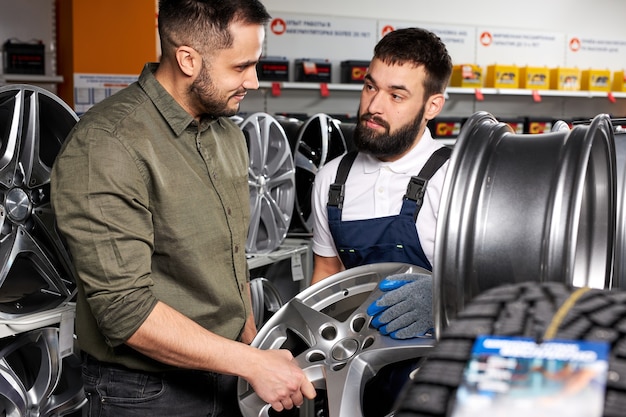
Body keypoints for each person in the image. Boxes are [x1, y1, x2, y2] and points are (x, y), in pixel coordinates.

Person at [50, 1, 315, 416]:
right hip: (146, 393)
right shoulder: (108, 144)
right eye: (241, 67)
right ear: (188, 59)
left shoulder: (227, 134)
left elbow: (230, 258)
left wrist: (250, 341)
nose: (254, 80)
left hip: (229, 373)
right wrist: (251, 362)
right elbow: (124, 311)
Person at [310, 27, 453, 415]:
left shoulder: (458, 179)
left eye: (396, 95)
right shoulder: (331, 179)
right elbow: (326, 276)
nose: (375, 106)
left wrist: (443, 300)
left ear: (432, 105)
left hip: (441, 376)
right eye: (370, 87)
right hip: (359, 371)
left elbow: (502, 284)